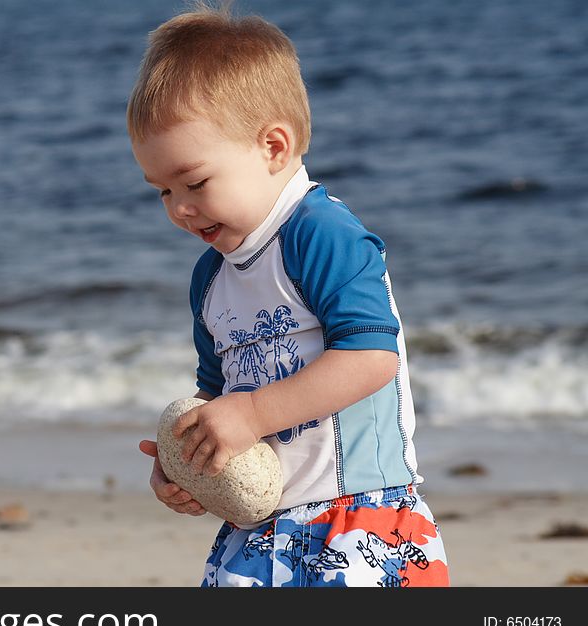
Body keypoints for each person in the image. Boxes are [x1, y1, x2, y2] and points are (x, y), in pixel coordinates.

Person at [127, 4, 449, 587]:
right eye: (162, 191)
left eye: (195, 182)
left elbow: (372, 358)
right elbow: (215, 395)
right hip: (255, 529)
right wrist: (190, 465)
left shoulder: (321, 234)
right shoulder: (211, 278)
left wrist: (253, 413)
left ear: (274, 147)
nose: (179, 207)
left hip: (358, 517)